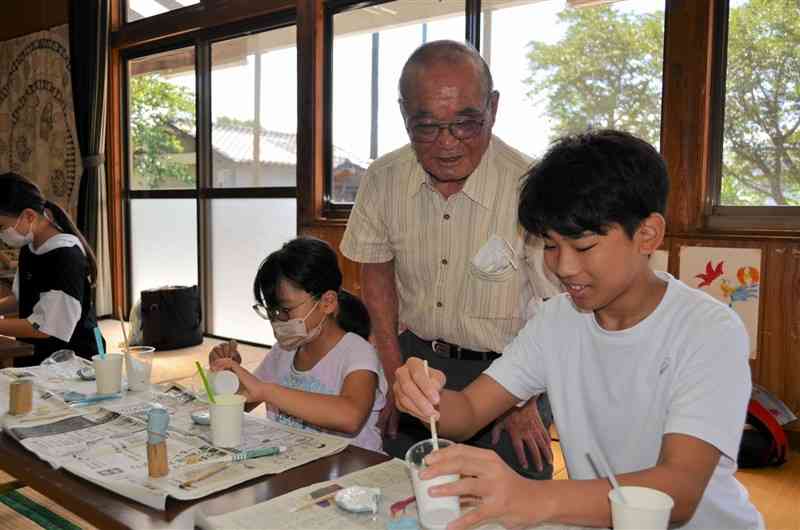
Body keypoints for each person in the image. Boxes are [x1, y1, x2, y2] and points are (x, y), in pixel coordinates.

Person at [393, 130, 764, 530]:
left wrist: (532, 496)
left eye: (583, 247)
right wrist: (423, 393)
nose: (564, 267)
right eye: (550, 246)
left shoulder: (708, 330)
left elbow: (677, 492)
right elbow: (465, 413)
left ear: (647, 235)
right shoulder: (557, 321)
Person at [340, 40, 561, 477]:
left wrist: (523, 398)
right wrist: (394, 376)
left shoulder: (530, 186)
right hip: (416, 364)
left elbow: (559, 312)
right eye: (426, 127)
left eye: (466, 124)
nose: (447, 144)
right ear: (404, 115)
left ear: (493, 108)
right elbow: (377, 280)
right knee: (404, 496)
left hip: (509, 370)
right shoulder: (384, 180)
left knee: (509, 507)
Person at [210, 237, 387, 453]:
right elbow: (243, 404)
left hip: (352, 471)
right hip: (296, 465)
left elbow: (350, 416)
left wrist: (266, 391)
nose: (278, 321)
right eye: (272, 312)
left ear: (327, 302)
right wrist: (229, 376)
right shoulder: (283, 352)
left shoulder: (358, 352)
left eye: (286, 310)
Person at [0, 172, 102, 365]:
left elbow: (44, 327)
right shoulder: (30, 247)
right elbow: (21, 298)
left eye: (1, 226)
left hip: (75, 361)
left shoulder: (65, 256)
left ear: (29, 215)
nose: (1, 234)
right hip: (38, 356)